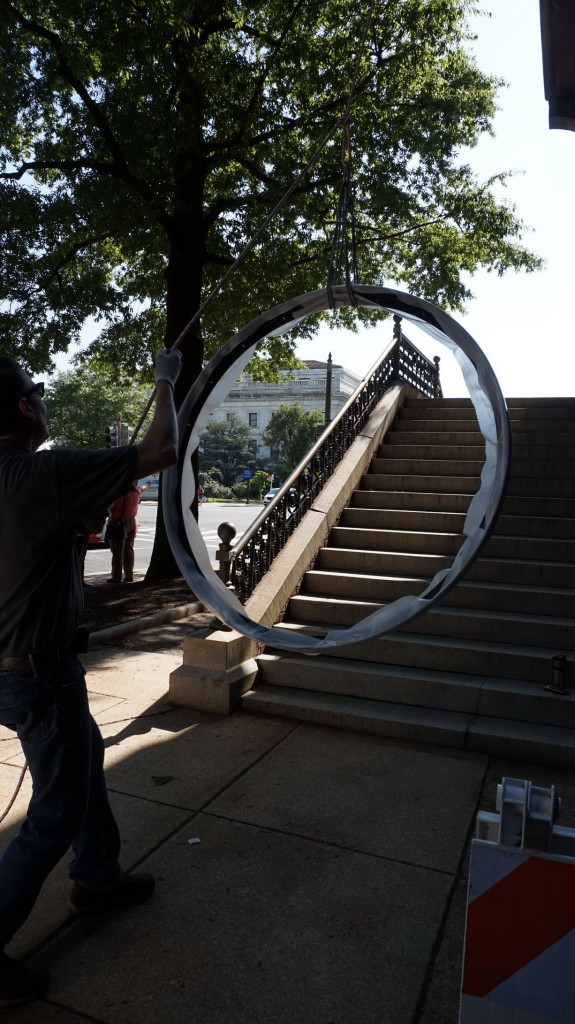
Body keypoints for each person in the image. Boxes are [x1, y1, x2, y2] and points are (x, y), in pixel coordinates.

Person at [0, 348, 181, 1008]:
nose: (42, 398)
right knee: (55, 808)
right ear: (25, 405)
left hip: (19, 670)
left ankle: (99, 876)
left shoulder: (26, 483)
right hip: (36, 673)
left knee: (83, 761)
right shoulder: (42, 473)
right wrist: (165, 375)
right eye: (37, 390)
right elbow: (162, 446)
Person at [107, 481, 149, 583]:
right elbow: (143, 488)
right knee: (129, 550)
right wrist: (148, 484)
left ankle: (116, 577)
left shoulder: (117, 496)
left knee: (117, 552)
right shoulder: (136, 493)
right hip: (131, 522)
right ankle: (129, 575)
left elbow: (109, 509)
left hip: (117, 523)